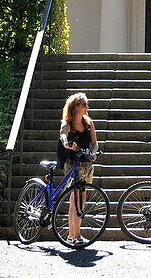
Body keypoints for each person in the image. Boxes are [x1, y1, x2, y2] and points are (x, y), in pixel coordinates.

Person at [58, 92, 97, 245]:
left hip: (87, 165)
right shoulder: (68, 123)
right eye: (84, 105)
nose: (87, 107)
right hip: (72, 164)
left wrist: (93, 153)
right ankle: (73, 234)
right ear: (75, 107)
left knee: (82, 199)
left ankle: (75, 234)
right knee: (75, 199)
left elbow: (94, 143)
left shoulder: (88, 122)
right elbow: (63, 134)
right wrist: (66, 142)